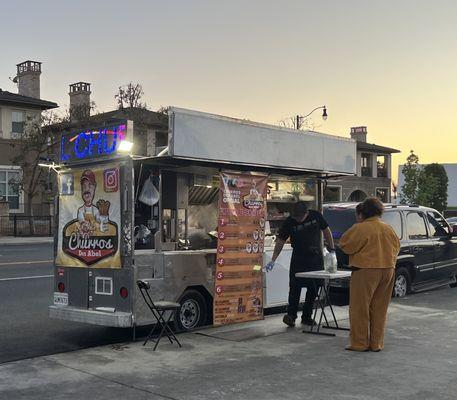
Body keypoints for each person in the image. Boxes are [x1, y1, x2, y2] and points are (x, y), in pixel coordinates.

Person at [339, 197, 400, 352]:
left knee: (360, 308)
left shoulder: (360, 228)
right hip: (388, 269)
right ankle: (376, 343)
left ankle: (359, 343)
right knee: (379, 308)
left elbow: (346, 245)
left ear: (361, 213)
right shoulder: (388, 229)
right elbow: (397, 247)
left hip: (365, 269)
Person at [266, 201, 335, 327]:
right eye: (295, 217)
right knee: (294, 288)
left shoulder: (316, 216)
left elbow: (326, 230)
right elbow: (280, 241)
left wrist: (332, 248)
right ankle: (291, 315)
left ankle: (307, 317)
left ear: (306, 213)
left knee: (313, 289)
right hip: (298, 258)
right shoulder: (289, 222)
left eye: (299, 217)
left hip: (315, 258)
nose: (297, 220)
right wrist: (273, 259)